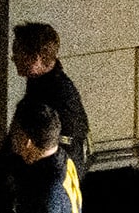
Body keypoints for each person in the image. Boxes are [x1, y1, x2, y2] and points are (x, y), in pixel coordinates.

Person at [12, 22, 90, 167]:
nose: (13, 58)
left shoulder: (61, 96)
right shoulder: (39, 81)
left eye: (17, 52)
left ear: (36, 59)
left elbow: (69, 143)